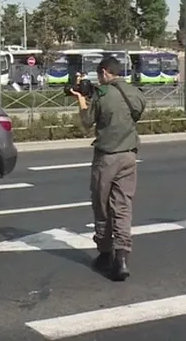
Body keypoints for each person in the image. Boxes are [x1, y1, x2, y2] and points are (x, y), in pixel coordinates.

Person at [72, 56, 146, 281]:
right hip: (129, 156)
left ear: (104, 72)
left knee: (102, 205)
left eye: (99, 75)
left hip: (107, 157)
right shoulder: (134, 92)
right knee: (123, 207)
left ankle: (105, 254)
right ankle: (122, 259)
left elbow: (87, 121)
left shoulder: (102, 95)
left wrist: (81, 99)